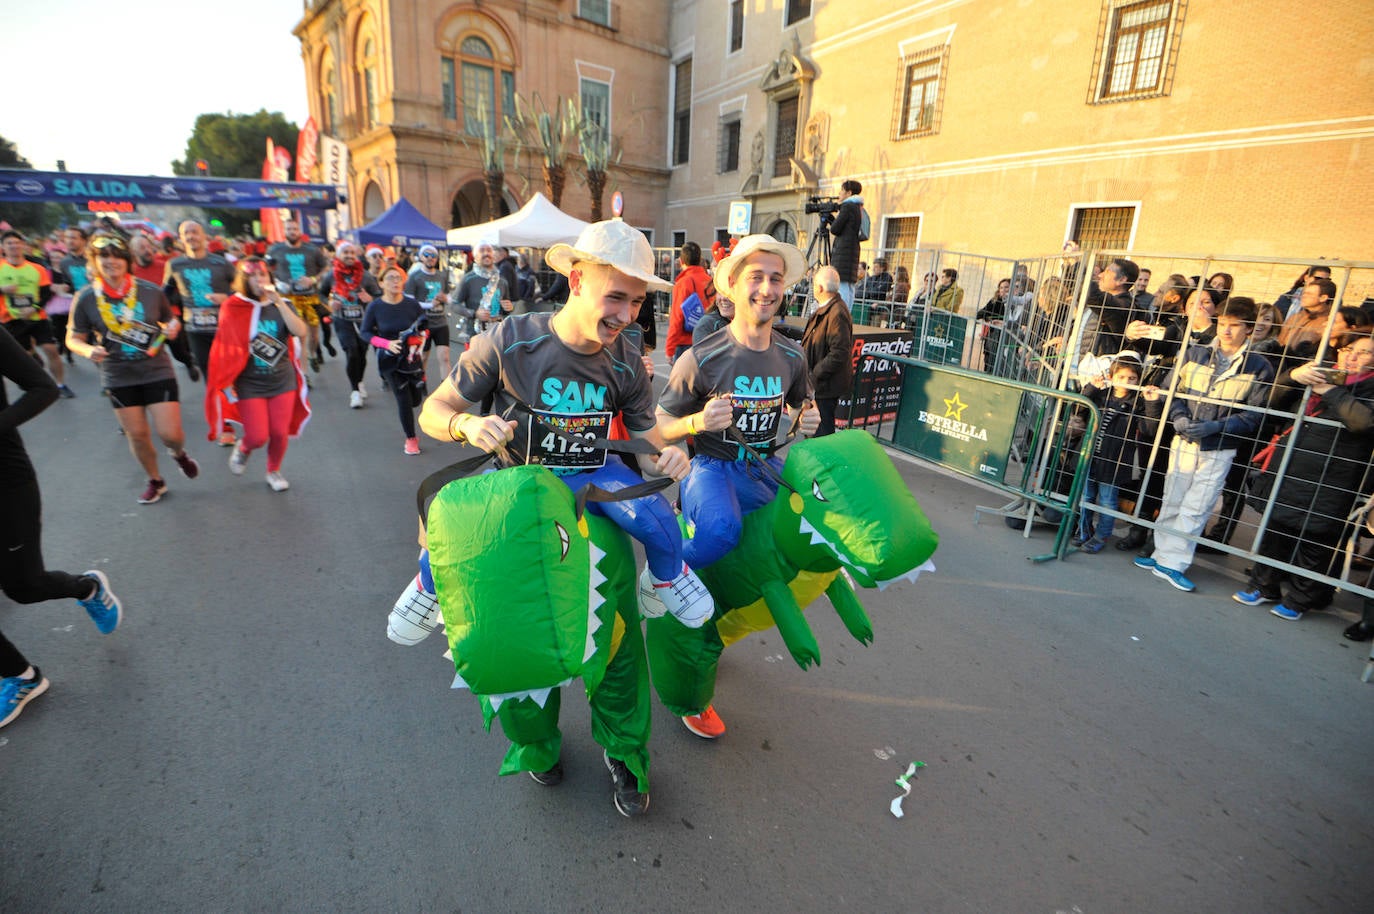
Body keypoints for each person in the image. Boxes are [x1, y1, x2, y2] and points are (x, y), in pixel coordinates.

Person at [414, 220, 713, 816]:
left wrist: (677, 445)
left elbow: (651, 431)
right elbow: (434, 408)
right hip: (514, 509)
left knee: (618, 638)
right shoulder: (509, 341)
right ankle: (534, 743)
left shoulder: (627, 357)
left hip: (596, 500)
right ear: (577, 281)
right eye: (616, 296)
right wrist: (467, 424)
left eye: (637, 300)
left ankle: (625, 752)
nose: (628, 314)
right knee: (513, 634)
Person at [655, 233, 819, 738]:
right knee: (723, 534)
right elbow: (659, 423)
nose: (767, 289)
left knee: (778, 551)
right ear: (733, 286)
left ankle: (712, 634)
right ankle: (660, 579)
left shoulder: (791, 356)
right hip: (713, 470)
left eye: (776, 278)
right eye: (757, 277)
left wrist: (802, 421)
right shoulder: (703, 357)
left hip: (762, 470)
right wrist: (697, 422)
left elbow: (800, 406)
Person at [1, 324, 124, 729]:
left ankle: (86, 587)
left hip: (6, 484)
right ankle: (21, 677)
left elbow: (43, 388)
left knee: (24, 587)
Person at [1133, 297, 1274, 592]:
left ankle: (1174, 562)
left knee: (1198, 505)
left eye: (1234, 326)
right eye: (1223, 324)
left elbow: (1254, 414)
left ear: (1248, 329)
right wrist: (1179, 416)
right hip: (1184, 438)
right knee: (1173, 495)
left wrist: (1217, 427)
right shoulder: (1195, 353)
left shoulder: (1259, 366)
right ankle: (1162, 553)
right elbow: (1173, 390)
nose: (1226, 331)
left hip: (1219, 446)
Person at [1230, 333, 1373, 620]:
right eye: (1348, 349)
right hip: (1292, 465)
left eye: (1364, 352)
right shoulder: (1321, 372)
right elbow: (1274, 400)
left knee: (1315, 538)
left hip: (1334, 475)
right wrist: (1292, 376)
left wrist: (1330, 391)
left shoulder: (1366, 388)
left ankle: (1299, 599)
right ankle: (1263, 585)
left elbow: (1363, 422)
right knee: (1276, 527)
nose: (1352, 356)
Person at [67, 234, 201, 503]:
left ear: (127, 261)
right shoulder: (85, 298)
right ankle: (156, 481)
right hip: (118, 375)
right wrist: (87, 350)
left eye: (117, 256)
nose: (111, 261)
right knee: (138, 435)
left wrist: (173, 328)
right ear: (94, 262)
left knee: (170, 435)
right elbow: (73, 338)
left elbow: (170, 320)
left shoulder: (150, 291)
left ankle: (178, 454)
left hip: (156, 369)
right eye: (104, 257)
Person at [204, 257, 312, 492]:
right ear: (244, 281)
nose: (258, 280)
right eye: (252, 276)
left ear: (269, 278)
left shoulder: (282, 304)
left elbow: (300, 330)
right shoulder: (233, 307)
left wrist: (280, 304)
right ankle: (244, 449)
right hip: (250, 383)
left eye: (262, 275)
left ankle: (273, 470)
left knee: (279, 432)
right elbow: (225, 345)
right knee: (257, 436)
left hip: (282, 380)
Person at [1074, 352, 1163, 552]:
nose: (1126, 382)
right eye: (1121, 377)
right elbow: (1079, 407)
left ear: (1139, 379)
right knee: (1086, 496)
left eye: (1132, 378)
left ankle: (1102, 536)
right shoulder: (1101, 395)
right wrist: (1091, 388)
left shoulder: (1138, 404)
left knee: (1107, 501)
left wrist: (1151, 404)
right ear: (1112, 377)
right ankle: (1083, 531)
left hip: (1115, 460)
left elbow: (1149, 429)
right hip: (1091, 456)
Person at [164, 221, 236, 403]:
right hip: (196, 329)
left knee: (230, 368)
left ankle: (232, 399)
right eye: (186, 233)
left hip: (224, 326)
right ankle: (220, 411)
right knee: (208, 370)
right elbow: (164, 294)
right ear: (181, 238)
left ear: (204, 236)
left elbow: (242, 291)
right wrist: (168, 318)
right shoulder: (174, 265)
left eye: (195, 232)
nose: (191, 236)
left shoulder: (221, 263)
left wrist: (226, 297)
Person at [363, 265, 429, 454]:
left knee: (416, 400)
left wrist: (422, 335)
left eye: (398, 278)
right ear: (381, 282)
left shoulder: (411, 304)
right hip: (390, 360)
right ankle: (411, 439)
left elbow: (424, 323)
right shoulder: (376, 306)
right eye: (390, 278)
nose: (395, 281)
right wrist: (386, 344)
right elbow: (365, 333)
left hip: (411, 358)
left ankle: (411, 424)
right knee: (403, 399)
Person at [1, 231, 73, 398]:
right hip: (11, 319)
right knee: (23, 357)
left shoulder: (37, 268)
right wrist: (2, 289)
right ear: (3, 247)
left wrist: (33, 307)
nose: (14, 246)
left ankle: (60, 385)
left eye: (16, 242)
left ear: (22, 245)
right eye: (9, 243)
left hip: (36, 317)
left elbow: (46, 293)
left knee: (51, 349)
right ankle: (34, 369)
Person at [318, 241, 382, 409]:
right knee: (351, 352)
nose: (349, 256)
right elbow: (321, 294)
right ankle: (354, 391)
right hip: (342, 320)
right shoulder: (331, 275)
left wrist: (370, 299)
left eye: (352, 253)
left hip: (363, 321)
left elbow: (379, 295)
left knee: (361, 354)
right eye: (345, 252)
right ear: (339, 255)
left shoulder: (365, 276)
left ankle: (359, 381)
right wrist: (330, 302)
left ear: (356, 256)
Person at [267, 219, 330, 372]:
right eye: (289, 229)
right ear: (285, 231)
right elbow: (266, 268)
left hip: (310, 297)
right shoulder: (275, 250)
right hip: (288, 299)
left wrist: (313, 279)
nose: (292, 232)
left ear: (300, 231)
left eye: (295, 229)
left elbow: (326, 267)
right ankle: (303, 373)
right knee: (300, 336)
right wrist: (277, 282)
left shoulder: (312, 250)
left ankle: (313, 355)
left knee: (313, 336)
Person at [800, 265, 854, 437]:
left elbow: (839, 352)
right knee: (815, 430)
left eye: (814, 284)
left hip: (824, 386)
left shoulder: (836, 312)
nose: (813, 287)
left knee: (821, 433)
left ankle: (822, 464)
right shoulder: (829, 308)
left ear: (820, 288)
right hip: (820, 384)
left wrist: (814, 375)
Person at [404, 244, 454, 379]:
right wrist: (428, 304)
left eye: (433, 255)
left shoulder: (441, 276)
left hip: (441, 322)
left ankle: (446, 391)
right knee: (423, 357)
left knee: (444, 357)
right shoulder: (414, 277)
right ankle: (420, 384)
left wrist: (445, 299)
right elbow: (409, 302)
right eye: (426, 255)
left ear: (437, 258)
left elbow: (450, 297)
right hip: (423, 324)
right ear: (421, 257)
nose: (430, 258)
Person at [666, 241, 711, 362]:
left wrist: (670, 348)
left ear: (681, 261)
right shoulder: (710, 281)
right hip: (708, 339)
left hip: (686, 342)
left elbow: (677, 316)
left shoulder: (683, 283)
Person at [453, 242, 510, 335]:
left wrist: (508, 308)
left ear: (493, 255)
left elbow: (505, 308)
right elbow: (454, 305)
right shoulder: (468, 279)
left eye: (489, 251)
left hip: (497, 333)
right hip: (474, 334)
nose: (486, 253)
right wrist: (474, 314)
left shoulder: (502, 280)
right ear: (475, 258)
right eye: (482, 251)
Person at [826, 179, 865, 306]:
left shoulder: (847, 206)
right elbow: (844, 227)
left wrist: (830, 219)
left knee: (841, 286)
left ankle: (841, 315)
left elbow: (835, 229)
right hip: (852, 252)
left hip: (843, 253)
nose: (840, 193)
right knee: (849, 287)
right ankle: (846, 315)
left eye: (842, 190)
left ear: (849, 193)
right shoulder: (858, 207)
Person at [1277, 278, 1337, 353]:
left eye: (1309, 294)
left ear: (1323, 298)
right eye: (1304, 293)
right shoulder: (1295, 317)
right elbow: (1279, 343)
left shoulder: (1331, 322)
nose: (1303, 296)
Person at [976, 278, 1012, 373]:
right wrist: (985, 318)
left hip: (1004, 335)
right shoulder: (995, 300)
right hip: (993, 334)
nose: (1003, 290)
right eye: (1001, 288)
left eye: (1006, 287)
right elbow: (983, 311)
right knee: (988, 357)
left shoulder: (1013, 302)